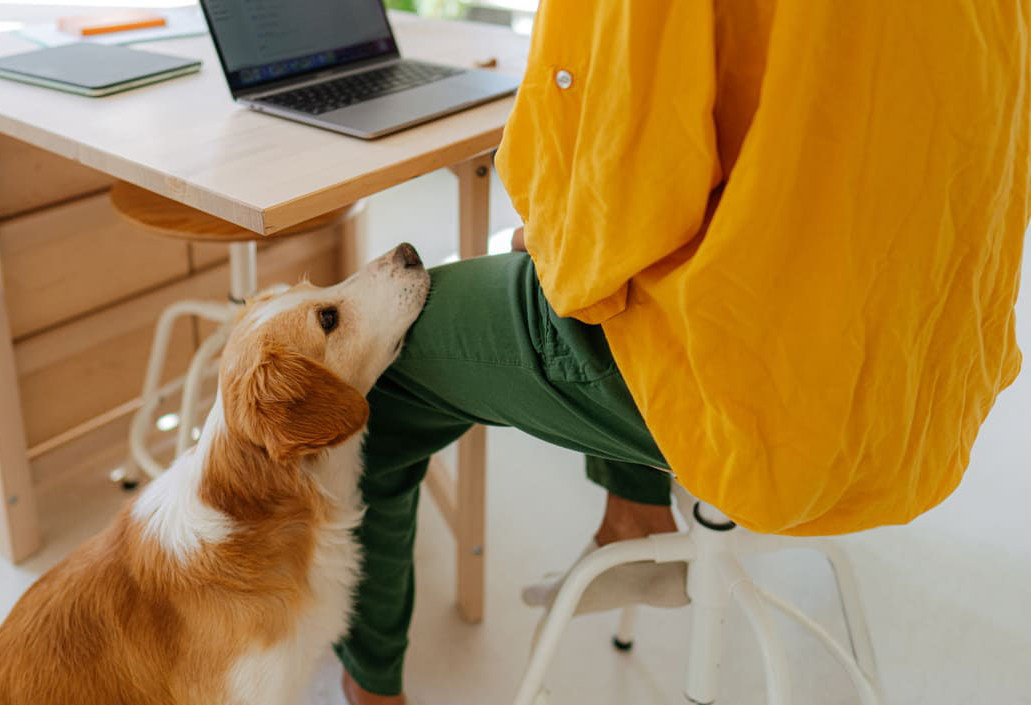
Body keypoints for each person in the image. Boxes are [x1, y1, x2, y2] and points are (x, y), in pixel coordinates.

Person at [337, 2, 1030, 703]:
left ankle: (370, 687)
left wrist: (550, 233)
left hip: (756, 382)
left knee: (368, 381)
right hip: (922, 366)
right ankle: (632, 514)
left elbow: (614, 187)